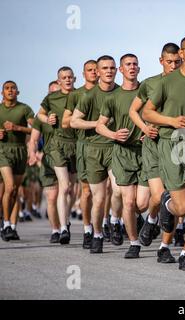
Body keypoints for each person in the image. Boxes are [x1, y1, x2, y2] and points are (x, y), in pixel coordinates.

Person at [142, 35, 185, 271]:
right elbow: (147, 113)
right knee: (182, 208)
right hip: (171, 145)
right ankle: (167, 203)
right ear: (181, 54)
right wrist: (171, 120)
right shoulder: (166, 82)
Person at [129, 43, 181, 263]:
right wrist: (144, 128)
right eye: (169, 62)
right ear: (161, 61)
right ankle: (151, 220)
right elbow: (133, 110)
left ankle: (165, 246)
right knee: (160, 196)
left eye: (177, 62)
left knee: (175, 198)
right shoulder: (150, 83)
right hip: (153, 144)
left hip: (179, 145)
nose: (173, 66)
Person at [96, 53, 149, 258]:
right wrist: (113, 134)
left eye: (135, 64)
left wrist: (149, 129)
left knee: (141, 203)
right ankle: (134, 243)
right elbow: (100, 125)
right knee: (128, 202)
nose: (132, 67)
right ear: (121, 69)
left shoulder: (147, 91)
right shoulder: (113, 97)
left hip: (145, 151)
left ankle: (146, 220)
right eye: (128, 64)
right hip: (122, 152)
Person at [70, 55, 123, 254]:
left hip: (116, 148)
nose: (108, 71)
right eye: (104, 68)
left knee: (118, 191)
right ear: (98, 72)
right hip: (93, 150)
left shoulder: (121, 92)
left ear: (116, 70)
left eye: (112, 68)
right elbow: (74, 122)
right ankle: (97, 234)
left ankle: (116, 221)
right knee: (98, 198)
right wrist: (98, 124)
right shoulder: (89, 96)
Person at [37, 67, 77, 244]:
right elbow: (40, 114)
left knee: (72, 189)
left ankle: (65, 221)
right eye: (64, 78)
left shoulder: (81, 94)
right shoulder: (51, 98)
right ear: (58, 80)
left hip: (76, 145)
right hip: (57, 145)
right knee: (65, 186)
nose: (67, 80)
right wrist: (48, 120)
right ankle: (62, 228)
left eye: (70, 77)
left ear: (74, 79)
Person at [62, 60, 98, 249]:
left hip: (109, 144)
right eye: (89, 70)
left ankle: (107, 224)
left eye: (95, 70)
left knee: (108, 190)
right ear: (83, 74)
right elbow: (66, 121)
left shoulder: (109, 91)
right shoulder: (76, 94)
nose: (93, 73)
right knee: (87, 191)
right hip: (84, 145)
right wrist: (91, 120)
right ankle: (87, 229)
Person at [0, 81, 34, 241]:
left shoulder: (24, 108)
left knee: (14, 191)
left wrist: (17, 128)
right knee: (9, 187)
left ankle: (12, 227)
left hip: (20, 151)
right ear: (2, 93)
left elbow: (35, 128)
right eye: (7, 88)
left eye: (13, 88)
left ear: (17, 92)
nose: (10, 91)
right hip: (2, 151)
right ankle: (6, 224)